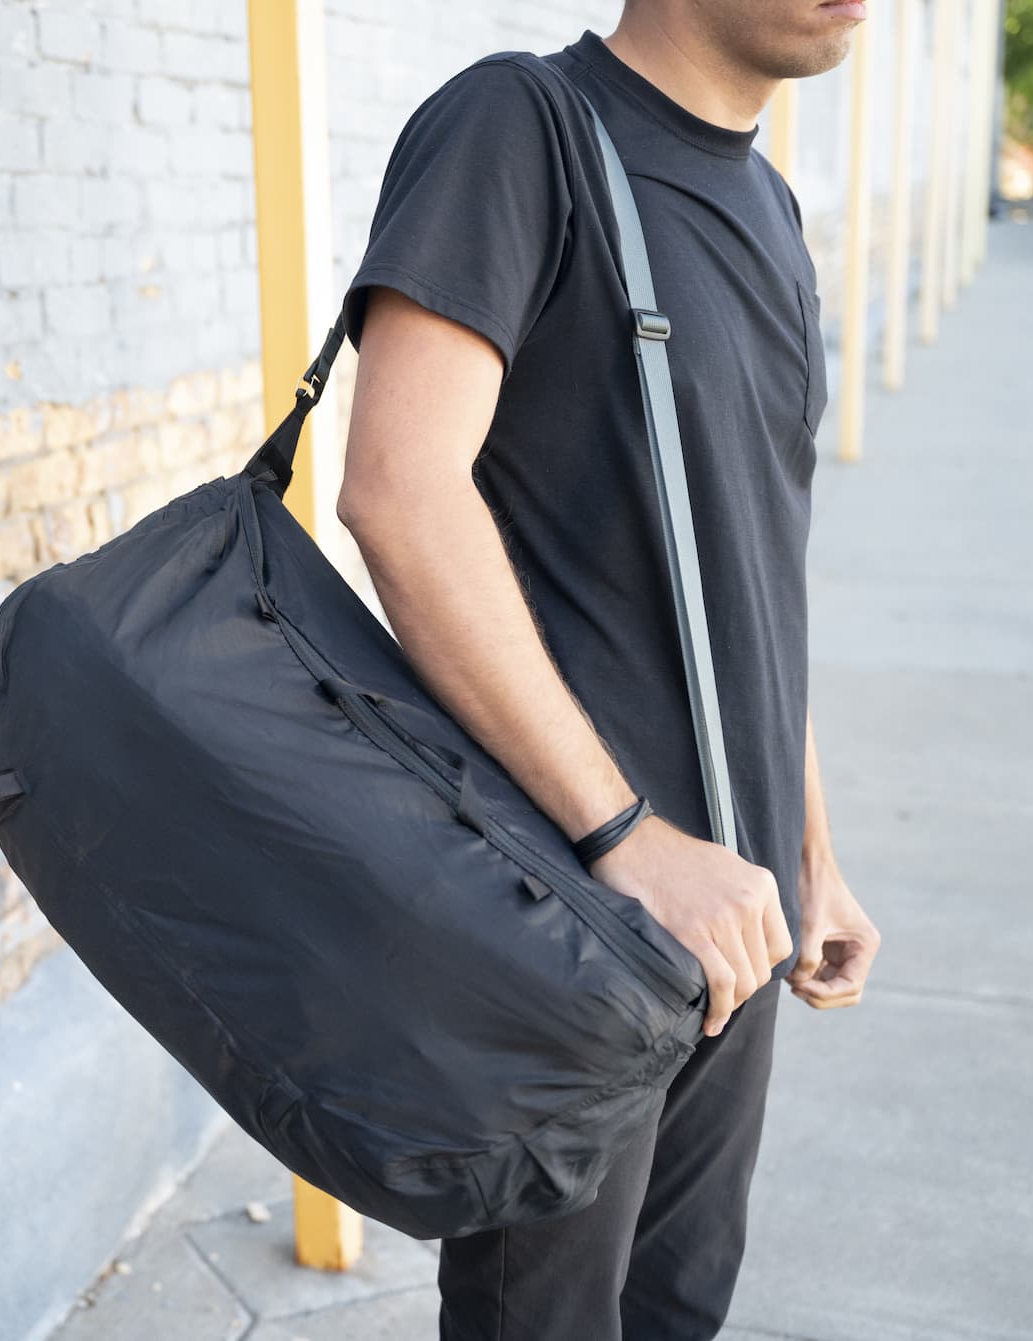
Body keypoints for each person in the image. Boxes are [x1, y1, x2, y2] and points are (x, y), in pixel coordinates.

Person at [334, 1, 884, 1337]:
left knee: (676, 1309)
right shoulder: (517, 132)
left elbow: (754, 568)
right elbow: (398, 495)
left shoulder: (771, 207)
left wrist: (806, 851)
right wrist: (630, 837)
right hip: (576, 922)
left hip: (732, 918)